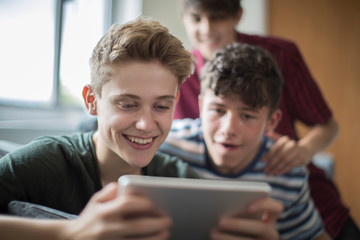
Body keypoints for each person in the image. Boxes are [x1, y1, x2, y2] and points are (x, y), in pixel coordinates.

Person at [0, 17, 283, 240]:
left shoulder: (183, 183)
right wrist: (68, 233)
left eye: (161, 106)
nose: (147, 124)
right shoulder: (47, 162)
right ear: (92, 101)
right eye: (127, 104)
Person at [173, 0, 359, 238]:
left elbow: (327, 124)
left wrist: (303, 151)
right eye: (196, 18)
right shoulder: (179, 73)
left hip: (294, 190)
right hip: (220, 209)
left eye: (217, 17)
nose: (207, 29)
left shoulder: (281, 56)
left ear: (237, 16)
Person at [160, 42, 332, 239]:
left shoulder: (287, 172)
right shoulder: (164, 145)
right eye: (218, 110)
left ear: (271, 122)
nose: (229, 129)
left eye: (248, 116)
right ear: (200, 106)